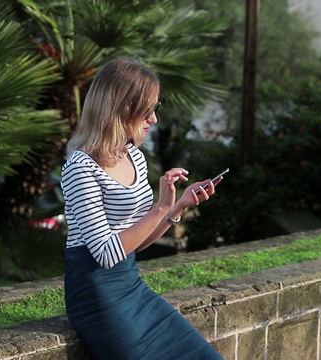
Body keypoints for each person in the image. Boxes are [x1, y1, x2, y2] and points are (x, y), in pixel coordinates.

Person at [61, 57, 224, 360]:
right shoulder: (80, 167)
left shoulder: (134, 156)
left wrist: (178, 206)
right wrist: (160, 207)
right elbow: (106, 253)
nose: (154, 119)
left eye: (155, 109)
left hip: (131, 285)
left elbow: (140, 242)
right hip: (98, 296)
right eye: (148, 110)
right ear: (123, 107)